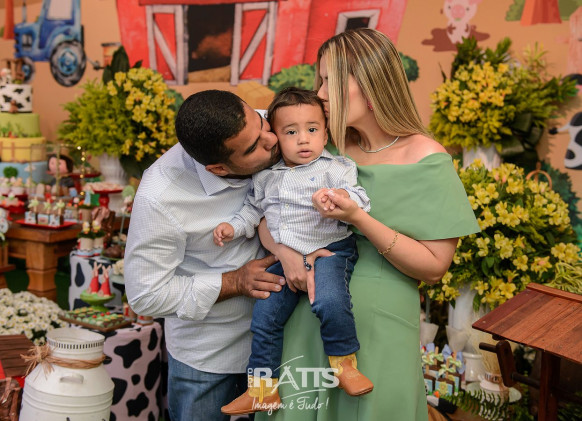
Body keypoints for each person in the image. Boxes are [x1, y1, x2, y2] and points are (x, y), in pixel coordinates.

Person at [255, 28, 480, 421]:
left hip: (378, 328)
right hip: (304, 318)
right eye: (320, 80)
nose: (320, 93)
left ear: (372, 84)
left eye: (330, 81)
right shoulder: (321, 144)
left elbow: (434, 267)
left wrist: (358, 217)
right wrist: (284, 253)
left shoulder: (426, 158)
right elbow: (266, 207)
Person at [125, 90, 303, 421]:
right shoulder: (160, 197)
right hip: (209, 356)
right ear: (218, 168)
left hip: (288, 342)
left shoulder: (272, 125)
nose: (271, 139)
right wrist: (235, 281)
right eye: (253, 148)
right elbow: (145, 295)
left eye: (261, 122)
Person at [215, 88, 373, 416]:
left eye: (312, 129)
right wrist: (232, 227)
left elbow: (359, 197)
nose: (303, 139)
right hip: (285, 257)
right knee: (264, 316)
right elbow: (252, 212)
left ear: (325, 133)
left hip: (330, 249)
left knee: (329, 300)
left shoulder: (336, 167)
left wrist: (339, 198)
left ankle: (344, 364)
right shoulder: (265, 178)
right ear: (275, 137)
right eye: (290, 132)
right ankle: (262, 390)